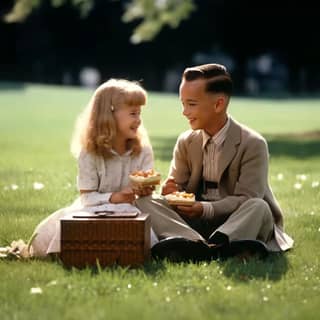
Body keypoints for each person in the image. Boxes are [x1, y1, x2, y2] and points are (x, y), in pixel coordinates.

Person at [136, 63, 294, 261]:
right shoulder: (186, 141)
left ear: (218, 104)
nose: (184, 111)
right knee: (144, 201)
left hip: (236, 218)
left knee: (259, 206)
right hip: (195, 220)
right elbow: (178, 188)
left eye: (191, 104)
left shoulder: (253, 143)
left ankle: (208, 245)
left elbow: (247, 197)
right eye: (182, 103)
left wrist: (206, 209)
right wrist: (171, 190)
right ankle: (203, 245)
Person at [9, 78, 157, 258]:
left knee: (140, 223)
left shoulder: (142, 151)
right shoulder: (90, 153)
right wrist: (115, 197)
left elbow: (146, 190)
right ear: (109, 114)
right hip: (96, 208)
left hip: (134, 208)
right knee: (69, 228)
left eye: (140, 113)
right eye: (133, 113)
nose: (139, 120)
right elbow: (87, 197)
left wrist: (144, 190)